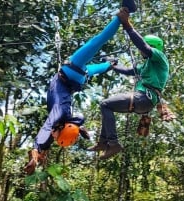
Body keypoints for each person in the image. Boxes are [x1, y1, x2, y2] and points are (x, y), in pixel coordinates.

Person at [24, 0, 137, 175]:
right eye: (57, 137)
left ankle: (114, 54)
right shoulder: (60, 115)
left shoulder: (63, 118)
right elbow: (48, 131)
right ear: (61, 131)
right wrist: (36, 154)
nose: (54, 137)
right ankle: (125, 13)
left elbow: (50, 133)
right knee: (98, 46)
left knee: (100, 54)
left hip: (76, 75)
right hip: (73, 72)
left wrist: (38, 154)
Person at [87, 8, 172, 160]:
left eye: (145, 49)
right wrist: (112, 65)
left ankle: (113, 144)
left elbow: (143, 46)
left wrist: (127, 25)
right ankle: (103, 142)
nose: (141, 53)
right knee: (106, 106)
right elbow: (128, 70)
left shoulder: (159, 57)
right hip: (143, 100)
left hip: (145, 97)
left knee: (105, 104)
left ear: (153, 46)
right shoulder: (146, 65)